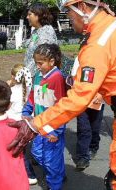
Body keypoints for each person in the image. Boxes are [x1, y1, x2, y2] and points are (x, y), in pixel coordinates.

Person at [7, 0, 116, 189]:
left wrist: (35, 123)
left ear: (83, 8)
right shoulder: (113, 26)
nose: (69, 19)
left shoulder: (98, 43)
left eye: (68, 13)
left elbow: (78, 98)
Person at [22, 44, 66, 190]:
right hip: (40, 125)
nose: (38, 66)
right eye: (36, 63)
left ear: (51, 61)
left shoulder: (57, 78)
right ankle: (58, 172)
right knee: (37, 152)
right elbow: (32, 98)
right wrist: (27, 111)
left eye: (40, 63)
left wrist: (55, 131)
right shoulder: (38, 76)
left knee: (50, 160)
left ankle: (55, 183)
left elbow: (61, 107)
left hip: (52, 128)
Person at [6, 64, 37, 185]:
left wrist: (7, 86)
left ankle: (30, 175)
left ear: (14, 76)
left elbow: (6, 107)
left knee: (20, 152)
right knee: (27, 148)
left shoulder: (12, 91)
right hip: (29, 123)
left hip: (15, 124)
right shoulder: (30, 90)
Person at [24, 3, 57, 77]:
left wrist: (26, 73)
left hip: (42, 76)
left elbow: (42, 57)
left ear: (38, 15)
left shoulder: (46, 31)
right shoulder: (36, 31)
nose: (27, 17)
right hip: (33, 74)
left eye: (29, 14)